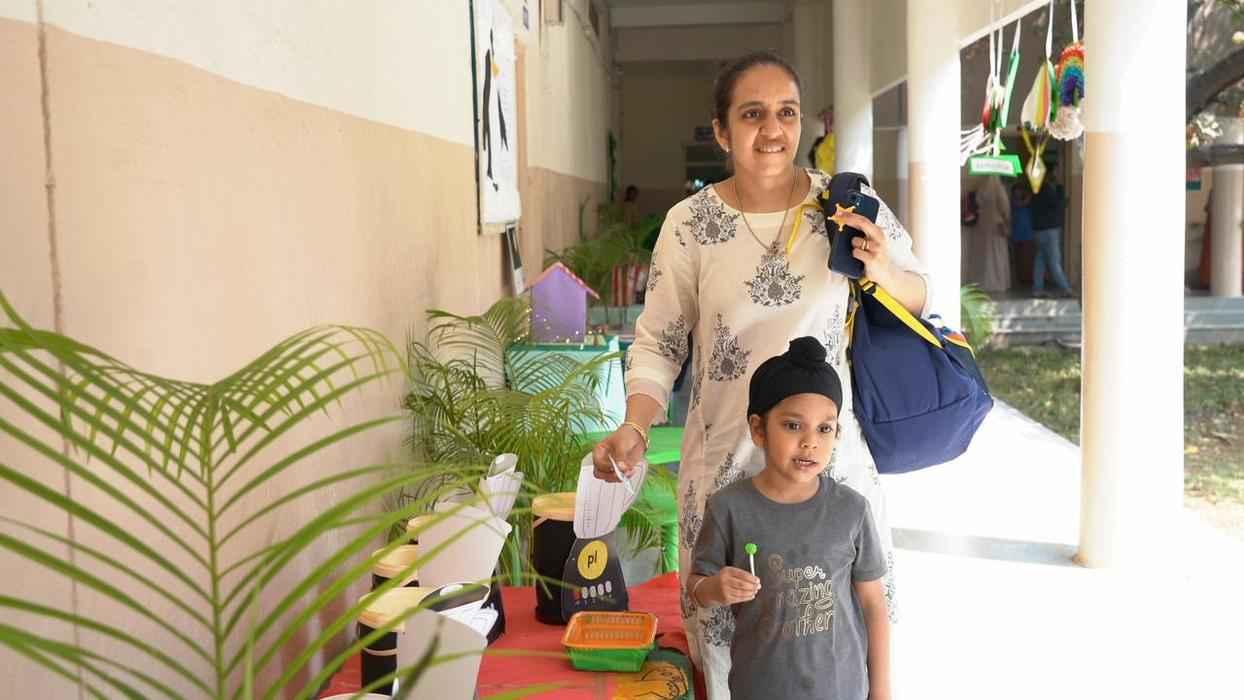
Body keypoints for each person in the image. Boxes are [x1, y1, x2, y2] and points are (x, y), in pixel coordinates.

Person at [592, 50, 928, 699]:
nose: (772, 129)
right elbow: (659, 341)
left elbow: (918, 296)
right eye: (752, 114)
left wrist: (883, 268)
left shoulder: (845, 205)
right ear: (721, 131)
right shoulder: (690, 226)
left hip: (826, 471)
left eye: (787, 112)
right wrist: (635, 426)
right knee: (732, 653)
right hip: (726, 469)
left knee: (838, 645)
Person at [687, 337, 892, 700]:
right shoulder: (728, 508)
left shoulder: (852, 510)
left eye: (824, 428)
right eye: (793, 426)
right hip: (758, 689)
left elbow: (874, 604)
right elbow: (697, 587)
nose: (810, 442)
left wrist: (882, 691)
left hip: (841, 691)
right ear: (759, 429)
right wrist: (715, 588)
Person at [1028, 169, 1074, 298]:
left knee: (1040, 260)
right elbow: (1057, 205)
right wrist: (1060, 190)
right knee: (1054, 261)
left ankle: (1037, 289)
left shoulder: (1035, 190)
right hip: (1050, 230)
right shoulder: (1048, 189)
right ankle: (1066, 288)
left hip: (1038, 230)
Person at [964, 175, 1011, 292]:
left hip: (982, 224)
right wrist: (1007, 220)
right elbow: (1005, 207)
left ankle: (984, 281)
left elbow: (977, 204)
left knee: (984, 255)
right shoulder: (999, 189)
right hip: (997, 224)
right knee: (997, 255)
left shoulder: (980, 189)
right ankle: (998, 282)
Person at [1010, 181, 1035, 289]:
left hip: (1027, 234)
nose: (1018, 193)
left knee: (1027, 256)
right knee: (1019, 258)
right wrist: (1029, 196)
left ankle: (1028, 278)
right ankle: (1021, 278)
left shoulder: (1028, 203)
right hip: (1017, 233)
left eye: (1019, 190)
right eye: (1016, 191)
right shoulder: (1014, 202)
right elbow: (1020, 204)